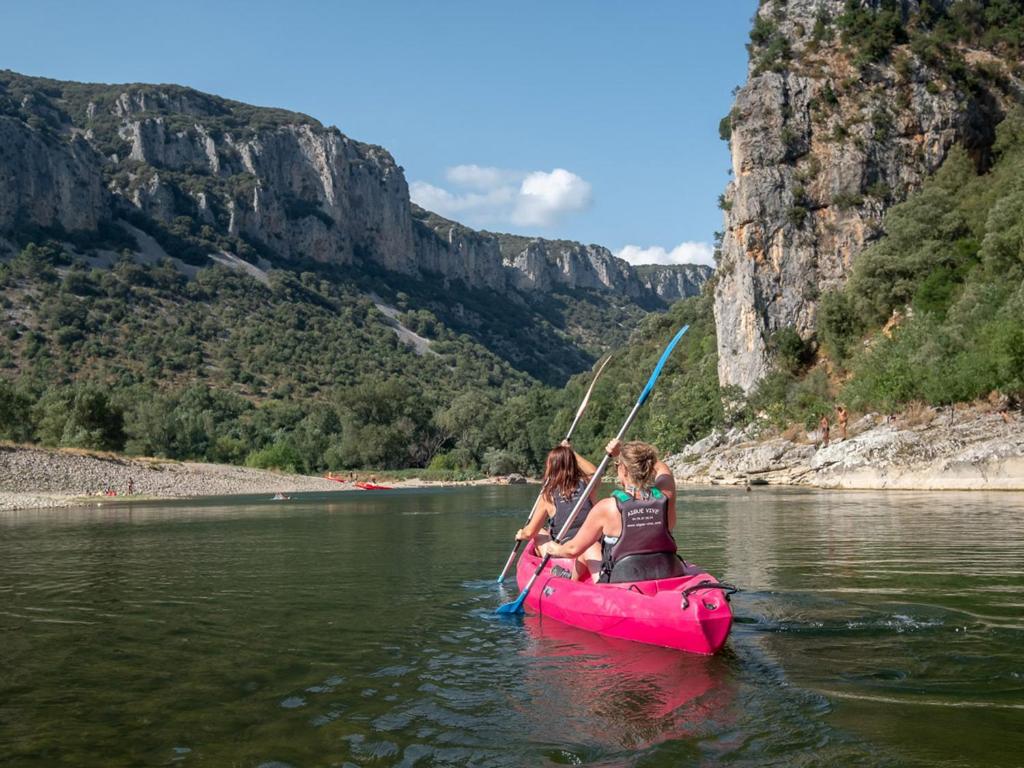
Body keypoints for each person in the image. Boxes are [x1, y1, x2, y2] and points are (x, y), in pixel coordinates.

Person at [539, 439, 684, 584]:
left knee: (586, 550)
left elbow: (572, 550)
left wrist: (555, 548)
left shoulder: (606, 508)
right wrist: (625, 455)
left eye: (617, 465)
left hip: (623, 579)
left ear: (624, 470)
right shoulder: (666, 496)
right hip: (668, 572)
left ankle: (571, 583)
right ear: (649, 465)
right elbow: (663, 469)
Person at [515, 440, 600, 578]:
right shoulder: (587, 486)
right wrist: (570, 452)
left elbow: (530, 532)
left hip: (564, 550)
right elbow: (595, 472)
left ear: (552, 467)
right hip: (590, 543)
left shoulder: (548, 495)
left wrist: (521, 534)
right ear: (573, 464)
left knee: (540, 533)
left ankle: (556, 568)